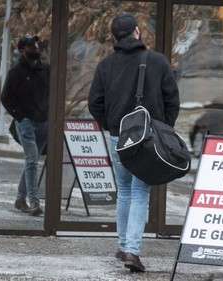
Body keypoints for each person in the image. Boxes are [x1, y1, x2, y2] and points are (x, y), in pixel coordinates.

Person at [88, 13, 180, 272]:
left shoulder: (105, 65)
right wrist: (163, 129)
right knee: (140, 192)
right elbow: (173, 100)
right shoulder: (158, 61)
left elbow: (94, 102)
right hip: (147, 138)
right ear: (137, 32)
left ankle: (123, 245)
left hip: (119, 137)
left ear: (115, 37)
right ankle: (132, 251)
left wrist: (112, 125)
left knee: (125, 192)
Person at [1, 34, 49, 217]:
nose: (36, 47)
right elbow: (5, 98)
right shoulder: (16, 73)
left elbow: (52, 93)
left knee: (32, 160)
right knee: (31, 160)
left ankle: (20, 199)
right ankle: (34, 202)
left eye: (36, 44)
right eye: (31, 45)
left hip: (43, 122)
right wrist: (21, 117)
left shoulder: (45, 69)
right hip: (26, 124)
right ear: (23, 50)